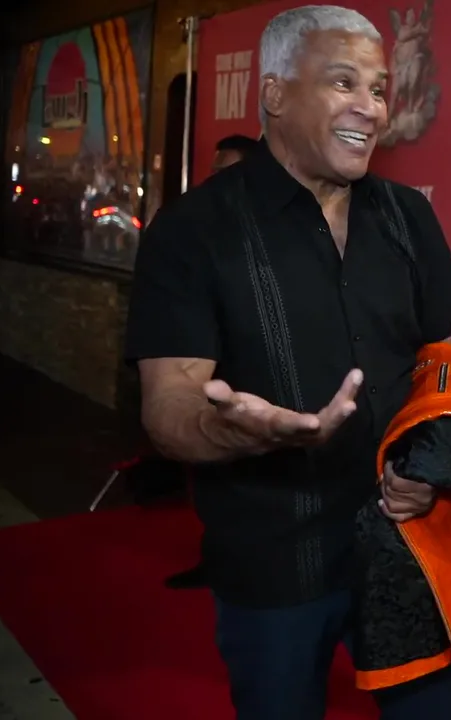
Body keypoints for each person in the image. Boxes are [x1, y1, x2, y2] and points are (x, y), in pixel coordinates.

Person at [125, 6, 451, 719]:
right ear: (275, 93)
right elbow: (168, 404)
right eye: (344, 83)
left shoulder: (408, 216)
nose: (370, 108)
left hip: (408, 543)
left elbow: (448, 368)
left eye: (379, 89)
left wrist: (430, 466)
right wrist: (235, 431)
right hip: (275, 564)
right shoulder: (191, 232)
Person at [165, 130, 267, 593]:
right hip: (210, 376)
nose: (217, 181)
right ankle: (217, 560)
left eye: (229, 171)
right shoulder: (199, 233)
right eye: (214, 171)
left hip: (254, 382)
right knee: (212, 479)